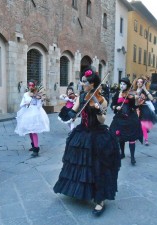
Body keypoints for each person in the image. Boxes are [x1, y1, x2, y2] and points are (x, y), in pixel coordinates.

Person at [53, 68, 121, 217]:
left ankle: (100, 200)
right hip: (83, 133)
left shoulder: (101, 99)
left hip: (97, 134)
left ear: (92, 84)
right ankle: (81, 191)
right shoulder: (82, 96)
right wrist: (68, 112)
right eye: (82, 81)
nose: (82, 83)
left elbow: (103, 119)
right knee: (80, 164)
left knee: (98, 167)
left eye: (85, 82)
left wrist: (98, 111)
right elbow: (75, 111)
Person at [110, 77, 143, 165]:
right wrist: (116, 107)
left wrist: (136, 99)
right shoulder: (117, 94)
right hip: (120, 117)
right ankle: (122, 153)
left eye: (124, 84)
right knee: (120, 137)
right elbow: (112, 104)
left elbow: (135, 106)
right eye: (121, 84)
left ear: (127, 85)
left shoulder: (131, 94)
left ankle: (132, 157)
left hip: (130, 117)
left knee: (131, 137)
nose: (122, 86)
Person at [14, 80, 50, 157]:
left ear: (34, 86)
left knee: (34, 131)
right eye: (29, 85)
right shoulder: (26, 94)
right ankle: (33, 145)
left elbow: (39, 106)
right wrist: (26, 103)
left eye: (32, 85)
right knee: (30, 131)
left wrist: (38, 98)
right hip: (27, 113)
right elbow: (21, 105)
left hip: (35, 113)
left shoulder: (37, 94)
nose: (31, 87)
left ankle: (36, 149)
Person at [133, 77, 157, 146]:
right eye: (138, 82)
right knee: (136, 125)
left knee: (143, 125)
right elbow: (134, 102)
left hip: (144, 109)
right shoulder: (134, 91)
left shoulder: (145, 91)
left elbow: (152, 99)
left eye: (141, 82)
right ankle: (135, 137)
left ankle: (146, 140)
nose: (139, 83)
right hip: (136, 109)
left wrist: (145, 89)